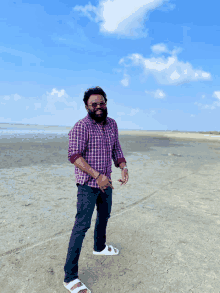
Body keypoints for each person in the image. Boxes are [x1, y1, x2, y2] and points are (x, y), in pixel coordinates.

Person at [63, 86, 129, 293]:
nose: (98, 107)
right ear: (86, 106)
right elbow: (74, 156)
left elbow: (116, 148)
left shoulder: (112, 124)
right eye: (94, 104)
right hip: (87, 185)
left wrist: (123, 166)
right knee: (81, 227)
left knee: (105, 216)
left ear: (106, 103)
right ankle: (70, 277)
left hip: (106, 183)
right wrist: (97, 176)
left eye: (102, 103)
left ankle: (99, 247)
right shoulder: (81, 127)